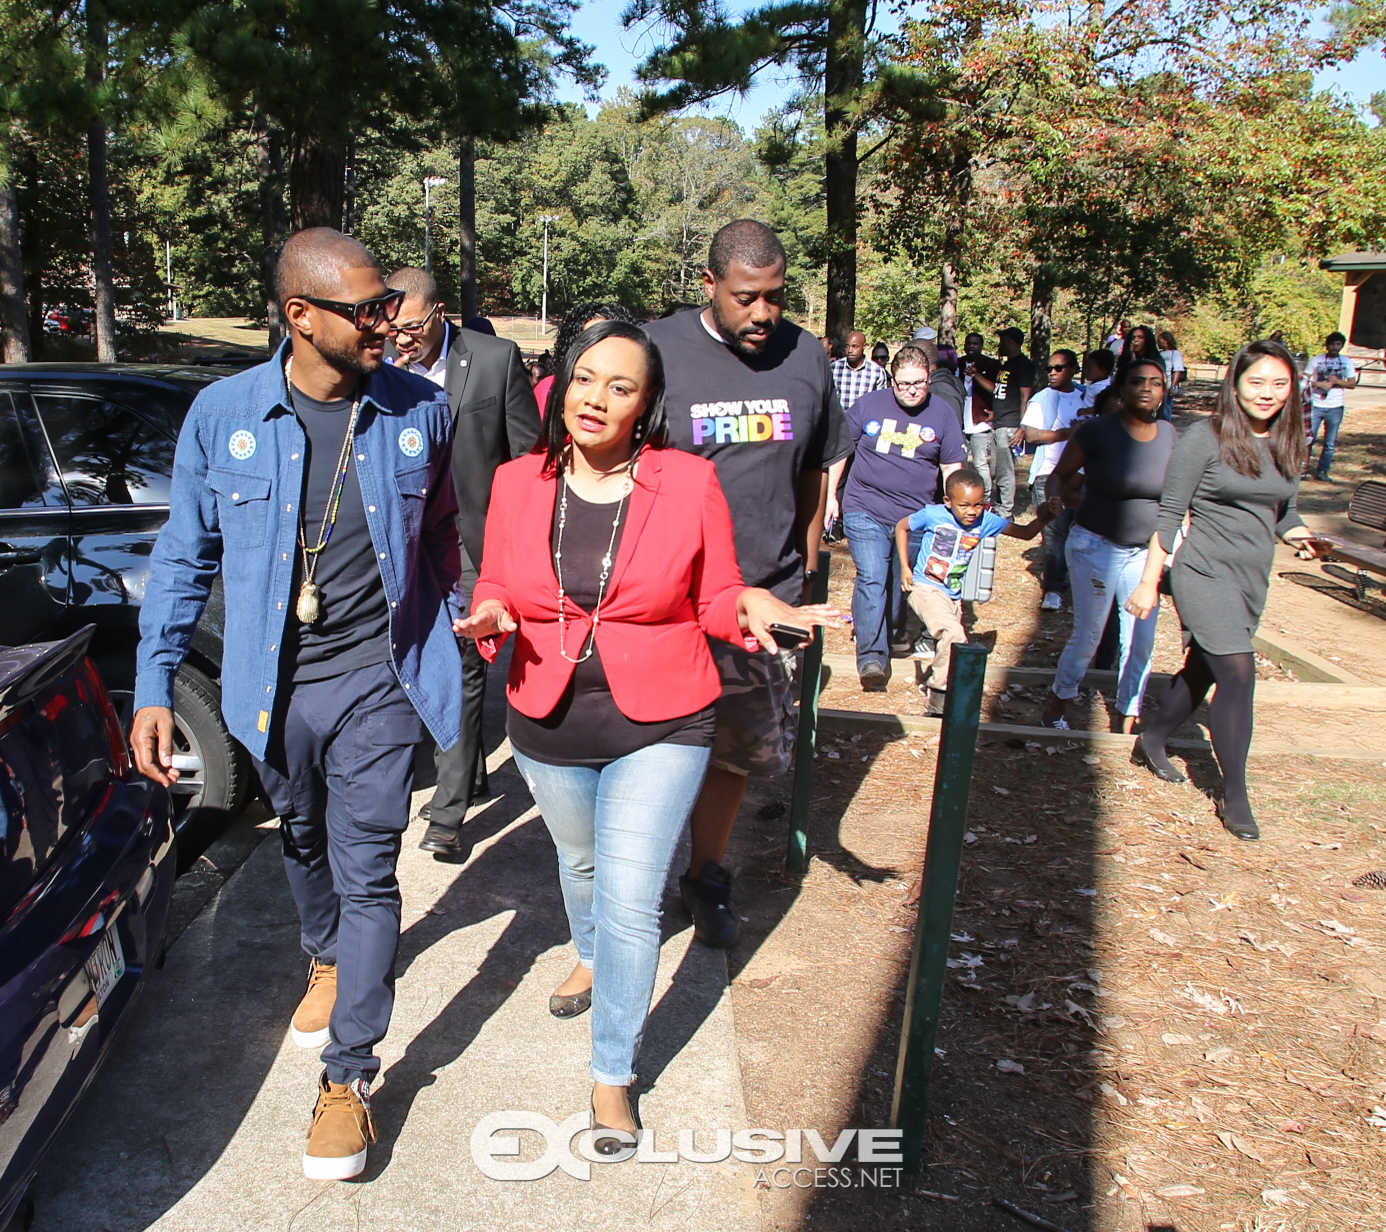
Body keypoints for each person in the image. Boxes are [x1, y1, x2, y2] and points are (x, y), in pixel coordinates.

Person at [130, 229, 465, 1180]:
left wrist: (455, 619)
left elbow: (442, 534)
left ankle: (349, 1075)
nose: (386, 322)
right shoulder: (222, 414)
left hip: (379, 681)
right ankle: (323, 954)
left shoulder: (420, 411)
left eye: (388, 304)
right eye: (364, 309)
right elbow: (184, 559)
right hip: (266, 690)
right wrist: (154, 684)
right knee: (302, 838)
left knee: (369, 869)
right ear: (300, 315)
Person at [458, 320, 834, 1151]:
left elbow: (713, 592)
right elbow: (496, 579)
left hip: (663, 718)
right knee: (582, 862)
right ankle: (589, 953)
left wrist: (749, 607)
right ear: (563, 386)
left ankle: (613, 1074)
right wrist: (491, 615)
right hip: (547, 715)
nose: (597, 399)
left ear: (647, 404)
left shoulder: (688, 482)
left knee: (632, 895)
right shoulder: (519, 481)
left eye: (620, 387)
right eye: (586, 379)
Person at [644, 220, 851, 948]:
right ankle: (628, 894)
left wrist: (805, 564)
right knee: (648, 752)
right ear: (708, 286)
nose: (763, 314)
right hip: (663, 601)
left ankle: (705, 877)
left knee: (732, 752)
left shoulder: (805, 358)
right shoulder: (657, 351)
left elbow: (811, 472)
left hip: (761, 597)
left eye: (774, 297)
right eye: (745, 298)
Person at [1127, 339, 1320, 840]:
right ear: (1236, 384)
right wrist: (1150, 582)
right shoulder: (1205, 439)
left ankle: (1153, 736)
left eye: (1280, 384)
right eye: (1257, 382)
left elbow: (1285, 511)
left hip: (1250, 580)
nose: (1268, 393)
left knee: (1204, 667)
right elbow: (1169, 514)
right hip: (1203, 572)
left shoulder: (1292, 440)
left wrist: (1300, 536)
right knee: (1238, 672)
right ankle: (1234, 794)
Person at [383, 267, 539, 853]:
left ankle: (446, 820)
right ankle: (469, 775)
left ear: (440, 312)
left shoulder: (495, 360)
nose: (403, 339)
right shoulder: (382, 368)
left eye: (414, 327)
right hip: (405, 541)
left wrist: (521, 543)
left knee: (463, 663)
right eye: (393, 328)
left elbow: (529, 460)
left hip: (474, 541)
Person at [1039, 358, 1177, 733]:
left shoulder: (1169, 436)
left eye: (1156, 382)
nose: (1147, 389)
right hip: (1094, 546)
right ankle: (1056, 709)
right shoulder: (1097, 432)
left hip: (1144, 552)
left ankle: (1128, 720)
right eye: (1137, 382)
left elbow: (1177, 499)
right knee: (1090, 634)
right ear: (1120, 387)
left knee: (1141, 639)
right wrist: (1059, 500)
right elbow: (1060, 478)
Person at [838, 343, 966, 690]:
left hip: (914, 517)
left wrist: (955, 509)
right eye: (903, 383)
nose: (910, 390)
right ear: (891, 380)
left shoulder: (942, 414)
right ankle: (871, 658)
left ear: (929, 378)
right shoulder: (869, 405)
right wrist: (832, 496)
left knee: (899, 581)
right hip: (864, 505)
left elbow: (952, 465)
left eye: (918, 383)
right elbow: (840, 449)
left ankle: (893, 631)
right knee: (872, 578)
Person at [896, 468, 1051, 715]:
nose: (972, 512)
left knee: (951, 642)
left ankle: (939, 683)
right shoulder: (932, 514)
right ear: (948, 502)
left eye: (978, 505)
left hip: (952, 594)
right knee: (954, 633)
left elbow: (1024, 533)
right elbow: (902, 527)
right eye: (964, 505)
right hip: (925, 587)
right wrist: (905, 567)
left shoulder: (986, 521)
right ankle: (939, 696)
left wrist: (1045, 517)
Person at [1021, 349, 1085, 611]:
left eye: (1058, 368)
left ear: (1073, 369)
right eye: (1049, 368)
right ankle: (1054, 588)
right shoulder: (1042, 399)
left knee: (1079, 532)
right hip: (1048, 472)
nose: (1052, 373)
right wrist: (1067, 434)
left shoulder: (1086, 395)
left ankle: (1077, 583)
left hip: (1082, 474)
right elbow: (1032, 435)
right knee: (1054, 532)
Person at [969, 327, 1034, 517]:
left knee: (1005, 472)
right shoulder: (1006, 366)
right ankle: (999, 506)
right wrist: (976, 375)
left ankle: (1005, 513)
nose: (1000, 344)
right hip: (999, 423)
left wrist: (1023, 427)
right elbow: (998, 390)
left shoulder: (1023, 365)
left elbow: (1025, 397)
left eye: (1002, 340)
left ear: (1011, 342)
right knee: (996, 470)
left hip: (1011, 426)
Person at [534, 303, 635, 415]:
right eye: (588, 339)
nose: (595, 347)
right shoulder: (548, 388)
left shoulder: (632, 393)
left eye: (605, 340)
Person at [1304, 331, 1358, 482]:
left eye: (1338, 344)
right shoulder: (1316, 360)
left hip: (1335, 406)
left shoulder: (1347, 362)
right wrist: (1318, 384)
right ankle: (1302, 468)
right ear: (1327, 345)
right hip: (1316, 404)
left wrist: (1338, 381)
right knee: (1308, 438)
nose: (1334, 347)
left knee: (1330, 442)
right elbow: (1304, 380)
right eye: (1332, 344)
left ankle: (1322, 471)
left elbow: (1352, 384)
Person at [831, 329, 890, 413]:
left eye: (855, 346)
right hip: (840, 421)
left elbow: (880, 402)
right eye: (847, 346)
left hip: (864, 421)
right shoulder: (835, 368)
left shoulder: (876, 371)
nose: (850, 350)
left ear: (864, 346)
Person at [1157, 330, 1185, 420]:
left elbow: (1177, 370)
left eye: (1159, 340)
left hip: (1168, 385)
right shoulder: (1159, 354)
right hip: (1158, 385)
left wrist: (1173, 387)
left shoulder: (1175, 354)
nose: (1157, 343)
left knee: (1166, 409)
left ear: (1166, 341)